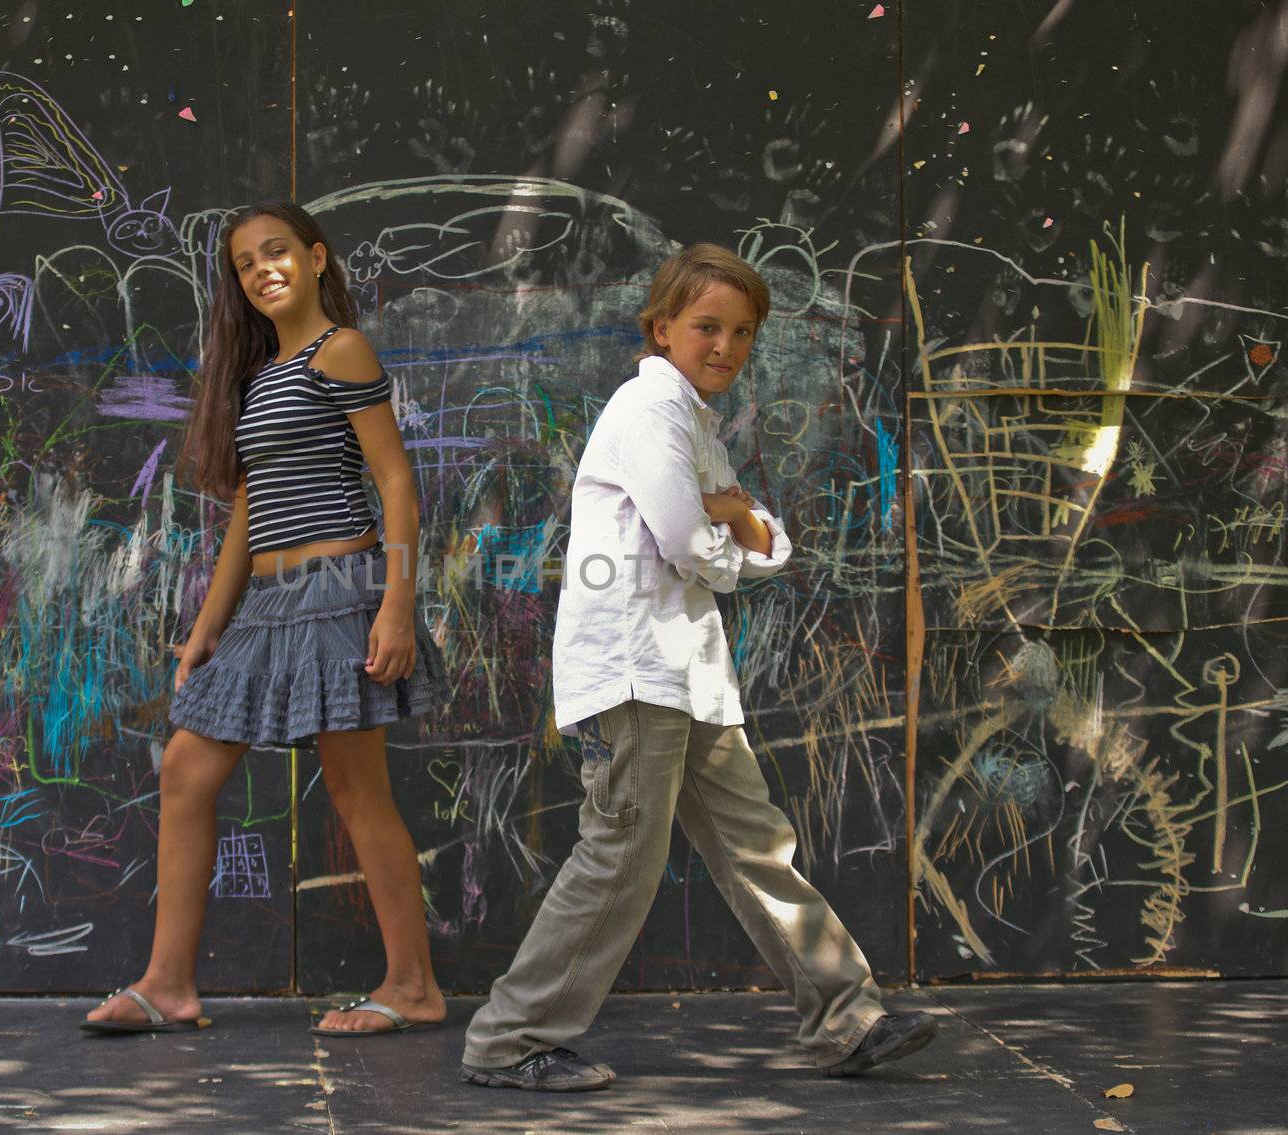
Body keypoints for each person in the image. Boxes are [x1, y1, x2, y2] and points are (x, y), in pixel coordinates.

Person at [460, 243, 937, 1090]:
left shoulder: (694, 421)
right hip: (639, 669)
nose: (726, 345)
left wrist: (730, 526)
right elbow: (700, 541)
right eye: (707, 326)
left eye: (742, 331)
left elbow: (769, 538)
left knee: (756, 845)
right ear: (663, 328)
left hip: (688, 671)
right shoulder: (650, 410)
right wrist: (728, 531)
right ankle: (511, 1037)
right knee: (620, 853)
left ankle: (846, 1019)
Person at [82, 200, 448, 1038]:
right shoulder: (259, 377)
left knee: (358, 790)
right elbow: (251, 508)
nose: (261, 270)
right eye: (246, 263)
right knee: (185, 770)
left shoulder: (341, 349)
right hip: (269, 607)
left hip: (343, 592)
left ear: (317, 259)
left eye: (277, 252)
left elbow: (394, 480)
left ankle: (414, 985)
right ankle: (168, 983)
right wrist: (211, 623)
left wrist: (396, 600)